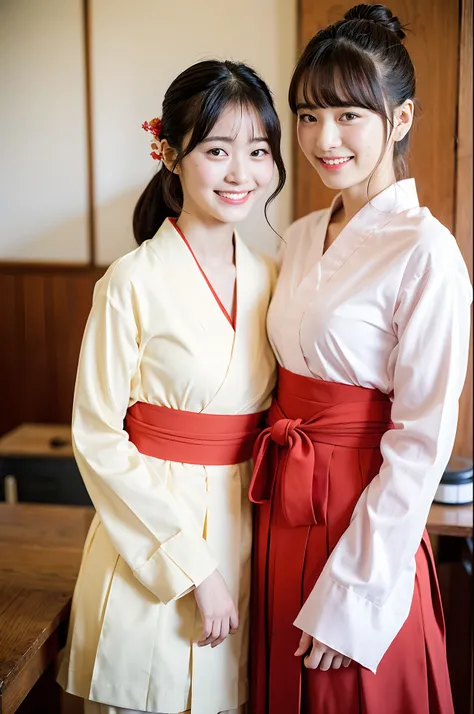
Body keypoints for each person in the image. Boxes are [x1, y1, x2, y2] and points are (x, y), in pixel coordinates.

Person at [248, 5, 471, 714]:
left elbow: (422, 440)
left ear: (399, 120)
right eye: (309, 116)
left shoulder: (427, 251)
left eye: (348, 115)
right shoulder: (303, 235)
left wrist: (355, 595)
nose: (323, 138)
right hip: (284, 501)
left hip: (363, 515)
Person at [57, 58, 286, 714]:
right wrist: (193, 566)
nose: (241, 172)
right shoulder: (131, 281)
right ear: (171, 156)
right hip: (150, 540)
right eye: (217, 150)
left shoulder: (276, 278)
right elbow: (97, 435)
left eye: (258, 151)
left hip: (247, 529)